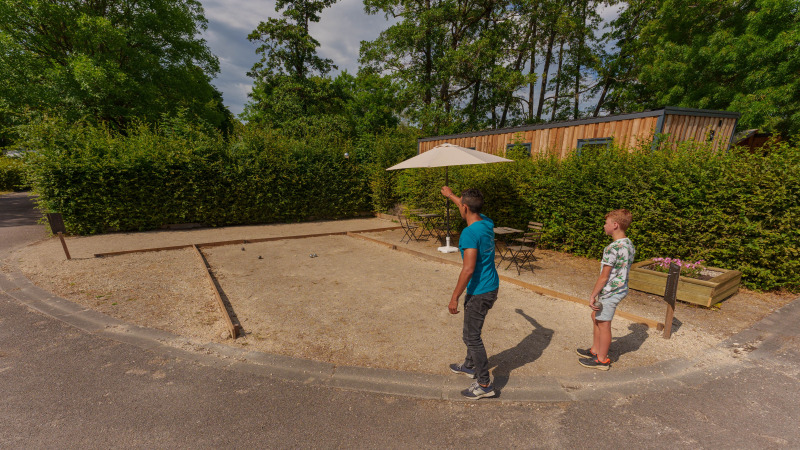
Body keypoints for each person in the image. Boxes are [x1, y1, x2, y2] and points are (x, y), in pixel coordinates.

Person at [441, 186, 500, 399]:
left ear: (465, 208)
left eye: (461, 205)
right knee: (471, 332)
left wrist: (454, 297)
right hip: (491, 286)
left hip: (480, 291)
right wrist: (451, 196)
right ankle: (468, 365)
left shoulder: (469, 234)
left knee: (472, 336)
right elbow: (465, 204)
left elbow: (468, 269)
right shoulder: (486, 223)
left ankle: (484, 384)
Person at [578, 209, 636, 370]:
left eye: (607, 223)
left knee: (603, 323)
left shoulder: (612, 248)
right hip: (620, 288)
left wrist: (593, 295)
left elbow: (604, 276)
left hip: (611, 291)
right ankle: (595, 350)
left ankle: (602, 360)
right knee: (595, 316)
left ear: (615, 225)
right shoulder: (629, 244)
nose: (604, 226)